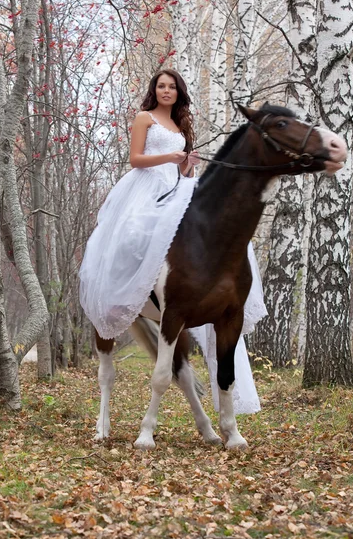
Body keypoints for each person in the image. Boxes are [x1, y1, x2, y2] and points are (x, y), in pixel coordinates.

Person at [79, 68, 266, 414]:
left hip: (178, 187)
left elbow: (182, 171)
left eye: (172, 86)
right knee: (137, 233)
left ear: (179, 92)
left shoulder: (181, 126)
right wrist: (170, 157)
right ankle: (136, 289)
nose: (166, 91)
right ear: (155, 90)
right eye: (161, 86)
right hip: (146, 188)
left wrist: (188, 165)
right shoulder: (144, 118)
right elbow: (135, 159)